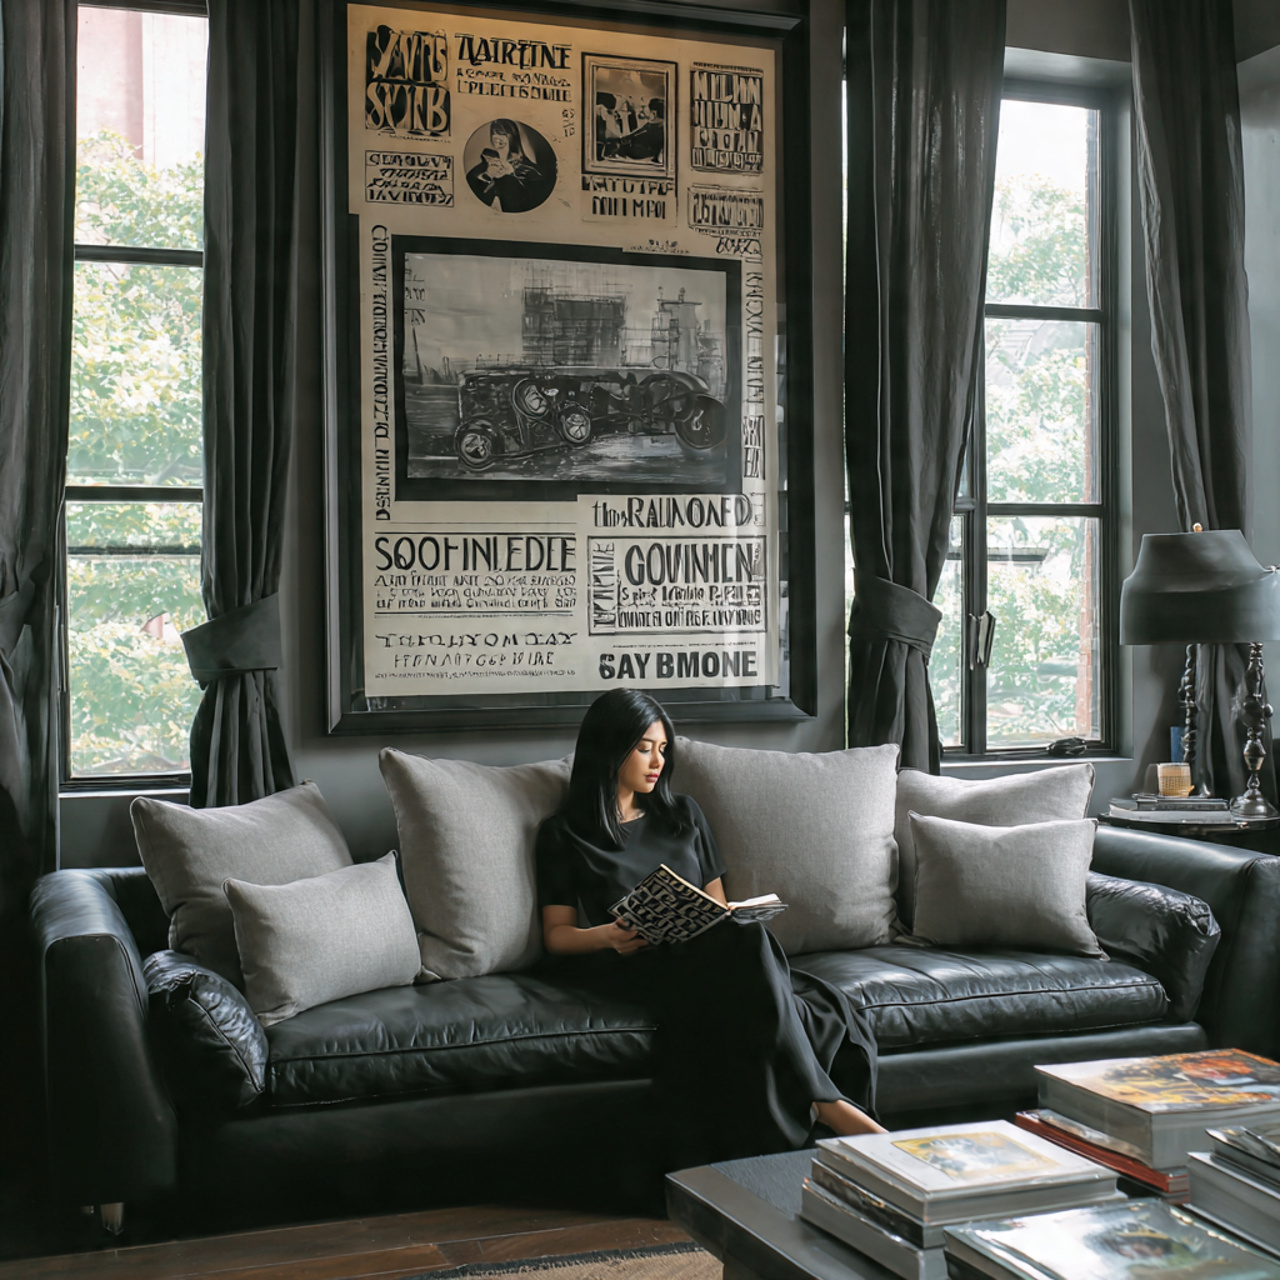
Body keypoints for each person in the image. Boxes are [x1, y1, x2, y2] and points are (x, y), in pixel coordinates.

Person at [536, 688, 883, 1168]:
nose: (657, 762)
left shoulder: (683, 815)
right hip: (631, 965)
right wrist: (609, 935)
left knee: (793, 976)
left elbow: (715, 906)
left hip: (706, 955)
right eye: (643, 748)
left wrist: (726, 914)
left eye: (663, 749)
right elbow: (556, 934)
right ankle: (826, 1103)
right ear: (608, 748)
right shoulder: (563, 834)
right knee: (784, 989)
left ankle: (820, 1105)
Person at [465, 119, 554, 213]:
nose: (497, 138)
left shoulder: (525, 167)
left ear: (512, 139)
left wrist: (512, 174)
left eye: (502, 134)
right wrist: (488, 176)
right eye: (494, 135)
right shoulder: (486, 164)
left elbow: (537, 192)